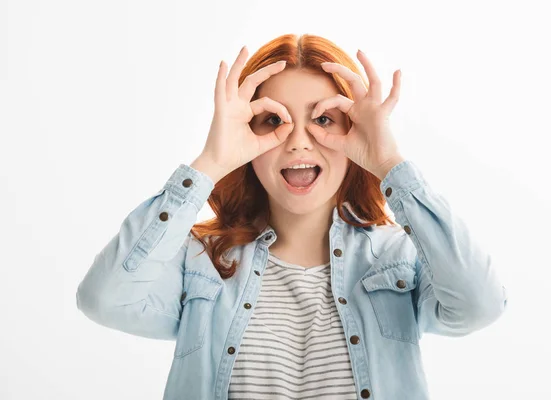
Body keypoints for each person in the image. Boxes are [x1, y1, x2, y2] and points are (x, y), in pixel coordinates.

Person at [76, 33, 508, 400]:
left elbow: (478, 306)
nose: (299, 142)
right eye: (272, 120)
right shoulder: (199, 262)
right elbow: (105, 299)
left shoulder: (397, 257)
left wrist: (389, 161)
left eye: (324, 119)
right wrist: (211, 161)